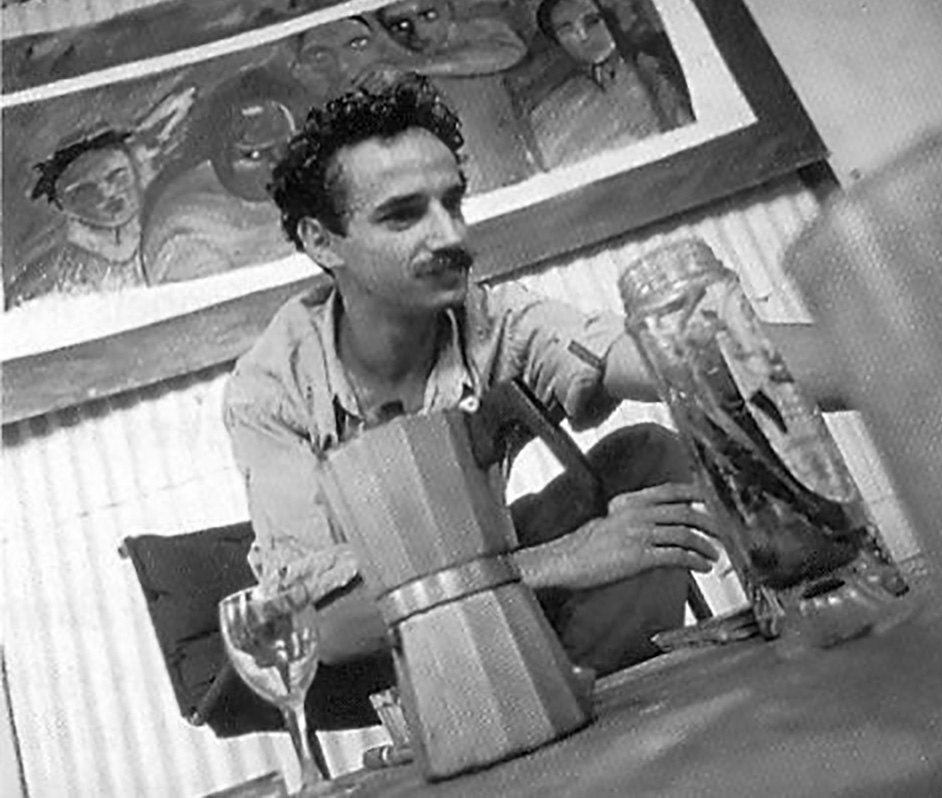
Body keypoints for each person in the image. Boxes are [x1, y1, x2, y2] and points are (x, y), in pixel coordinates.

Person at [223, 75, 844, 690]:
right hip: (387, 642)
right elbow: (325, 630)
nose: (451, 236)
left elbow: (666, 355)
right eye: (403, 216)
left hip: (501, 586)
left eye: (452, 203)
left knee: (647, 457)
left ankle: (608, 693)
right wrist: (561, 560)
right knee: (387, 610)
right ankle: (549, 707)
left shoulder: (496, 321)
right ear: (320, 240)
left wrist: (877, 359)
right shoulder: (270, 389)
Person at [7, 87, 194, 305]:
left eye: (117, 177)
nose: (107, 193)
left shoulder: (171, 230)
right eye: (85, 191)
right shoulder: (55, 270)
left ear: (135, 169)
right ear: (63, 204)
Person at [142, 68, 305, 284]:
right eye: (256, 155)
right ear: (219, 154)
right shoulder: (186, 228)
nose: (278, 163)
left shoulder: (312, 179)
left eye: (285, 147)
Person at [377, 0, 537, 194]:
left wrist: (417, 67)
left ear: (447, 7)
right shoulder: (389, 64)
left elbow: (511, 51)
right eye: (400, 25)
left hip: (513, 166)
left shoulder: (479, 32)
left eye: (428, 15)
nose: (419, 32)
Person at [531, 0, 696, 170]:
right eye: (567, 30)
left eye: (592, 21)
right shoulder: (564, 102)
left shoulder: (654, 63)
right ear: (558, 42)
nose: (583, 35)